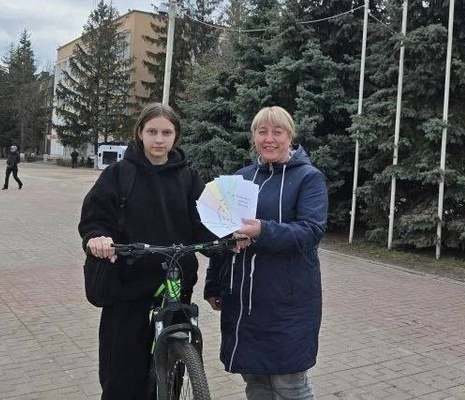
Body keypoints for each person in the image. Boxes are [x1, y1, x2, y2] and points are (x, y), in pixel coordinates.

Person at [79, 103, 215, 400]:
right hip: (128, 288)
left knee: (170, 375)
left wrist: (230, 237)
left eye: (167, 133)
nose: (159, 139)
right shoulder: (119, 174)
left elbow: (206, 224)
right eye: (152, 131)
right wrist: (98, 237)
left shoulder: (189, 177)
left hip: (175, 286)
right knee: (122, 376)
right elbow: (95, 218)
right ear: (140, 132)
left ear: (176, 136)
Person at [204, 106, 328, 400]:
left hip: (289, 301)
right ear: (254, 137)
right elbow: (222, 232)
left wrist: (262, 230)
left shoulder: (309, 178)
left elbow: (311, 231)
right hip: (245, 301)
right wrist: (213, 284)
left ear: (289, 137)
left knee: (290, 385)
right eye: (262, 132)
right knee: (256, 382)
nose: (269, 139)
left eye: (277, 132)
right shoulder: (240, 179)